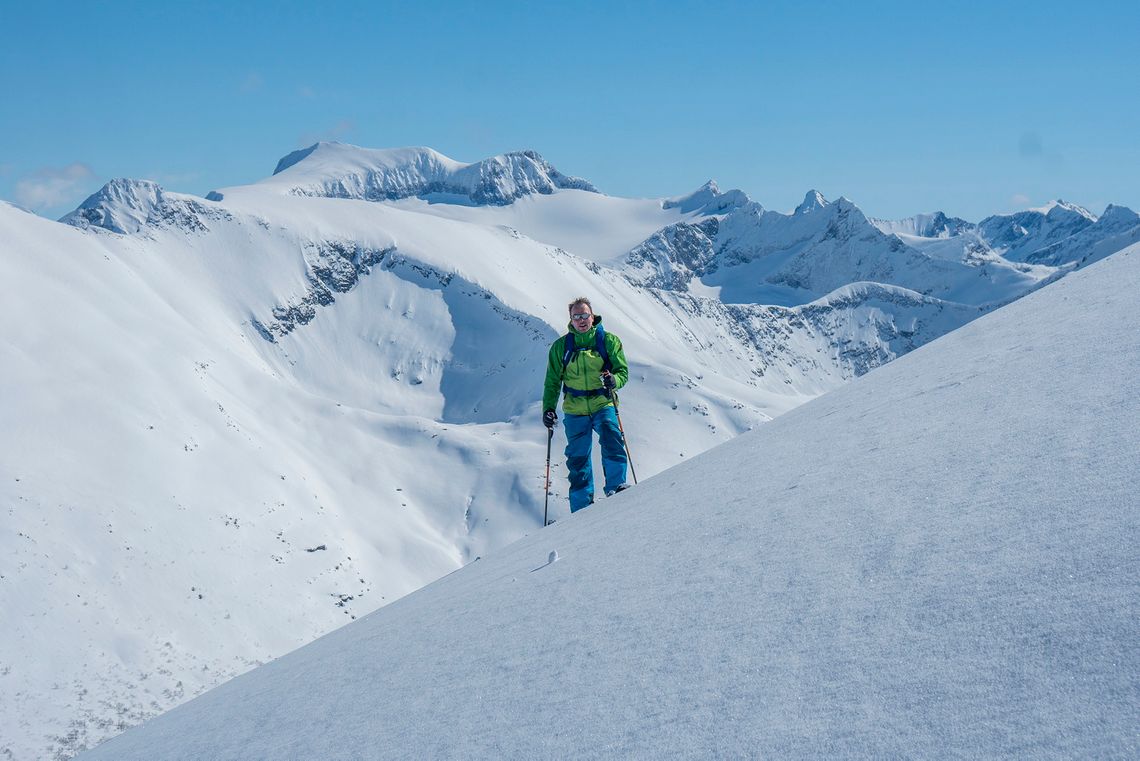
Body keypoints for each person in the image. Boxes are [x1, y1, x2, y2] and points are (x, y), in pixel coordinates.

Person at [542, 296, 630, 512]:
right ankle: (582, 507)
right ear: (571, 320)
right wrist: (549, 409)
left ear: (593, 317)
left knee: (612, 438)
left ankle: (617, 487)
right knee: (578, 458)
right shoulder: (560, 347)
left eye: (585, 315)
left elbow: (622, 372)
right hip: (575, 410)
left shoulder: (608, 341)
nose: (581, 320)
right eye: (576, 316)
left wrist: (614, 381)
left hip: (603, 403)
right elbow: (553, 381)